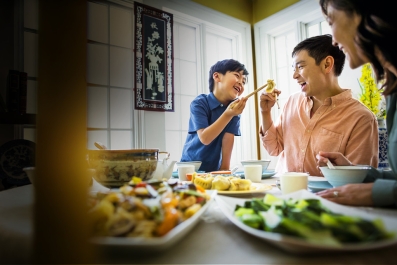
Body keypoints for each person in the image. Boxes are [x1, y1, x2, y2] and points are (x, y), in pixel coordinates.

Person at [259, 34, 378, 177]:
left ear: (327, 64)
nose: (294, 75)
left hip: (325, 198)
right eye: (293, 68)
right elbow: (274, 149)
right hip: (283, 193)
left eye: (300, 66)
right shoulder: (292, 102)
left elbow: (359, 182)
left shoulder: (361, 118)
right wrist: (265, 112)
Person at [315, 0, 397, 207]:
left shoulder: (362, 115)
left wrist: (375, 193)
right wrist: (354, 172)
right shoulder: (393, 92)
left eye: (331, 21)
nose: (333, 41)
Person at [180, 59, 248, 172]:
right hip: (189, 169)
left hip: (213, 170)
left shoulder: (234, 110)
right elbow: (205, 138)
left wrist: (225, 169)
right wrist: (228, 114)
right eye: (237, 75)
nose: (241, 82)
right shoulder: (199, 103)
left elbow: (228, 140)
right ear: (217, 77)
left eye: (244, 81)